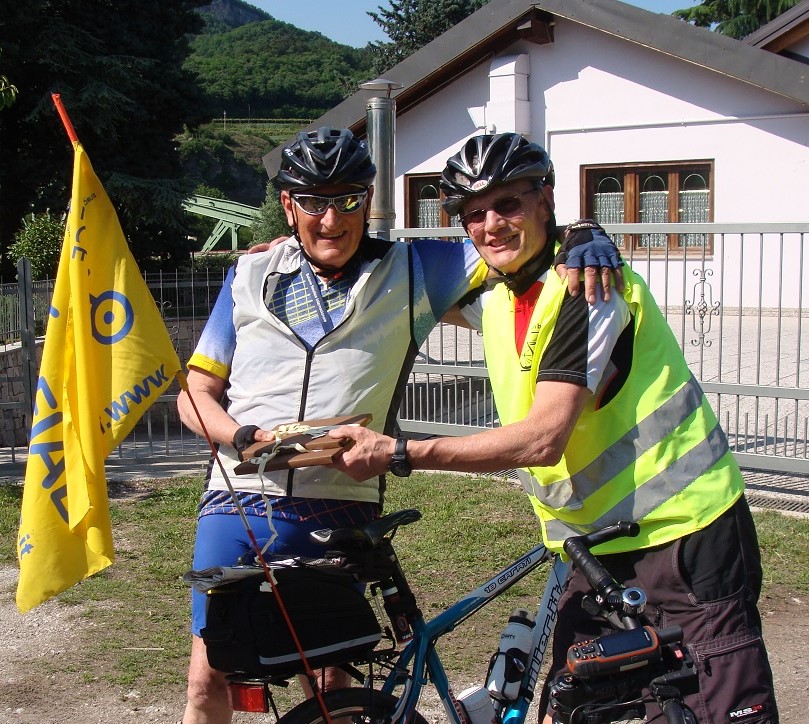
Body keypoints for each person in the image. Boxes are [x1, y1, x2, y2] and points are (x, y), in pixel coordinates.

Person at [176, 126, 621, 724]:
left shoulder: (415, 268)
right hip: (238, 499)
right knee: (209, 677)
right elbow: (194, 394)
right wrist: (238, 437)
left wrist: (585, 233)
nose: (331, 219)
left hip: (340, 503)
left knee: (331, 682)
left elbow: (516, 239)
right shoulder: (248, 274)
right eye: (312, 202)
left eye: (348, 200)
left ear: (368, 200)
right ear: (287, 205)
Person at [332, 132, 778, 724]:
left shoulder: (588, 290)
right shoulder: (495, 296)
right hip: (595, 544)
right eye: (472, 213)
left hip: (685, 535)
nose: (490, 225)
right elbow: (393, 272)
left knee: (711, 706)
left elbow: (544, 438)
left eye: (507, 204)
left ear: (545, 199)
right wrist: (291, 250)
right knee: (573, 706)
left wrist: (399, 452)